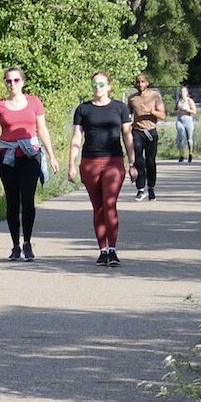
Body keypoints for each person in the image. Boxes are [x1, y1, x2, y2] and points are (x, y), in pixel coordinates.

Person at [0, 66, 58, 262]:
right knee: (12, 201)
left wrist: (51, 155)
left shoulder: (34, 102)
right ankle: (15, 245)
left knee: (28, 199)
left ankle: (28, 242)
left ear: (22, 82)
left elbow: (42, 129)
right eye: (8, 81)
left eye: (16, 80)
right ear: (5, 83)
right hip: (8, 158)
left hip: (30, 156)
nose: (12, 84)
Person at [69, 73, 137, 267]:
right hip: (90, 162)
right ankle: (103, 250)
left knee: (109, 204)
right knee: (98, 207)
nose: (97, 87)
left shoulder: (120, 108)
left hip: (113, 161)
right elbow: (76, 138)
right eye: (94, 84)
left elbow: (127, 136)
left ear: (109, 86)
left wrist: (132, 163)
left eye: (101, 84)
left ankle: (113, 250)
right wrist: (71, 164)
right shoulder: (83, 109)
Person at [127, 73, 166, 200]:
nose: (140, 84)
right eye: (138, 82)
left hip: (151, 132)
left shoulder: (155, 96)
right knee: (138, 160)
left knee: (150, 161)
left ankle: (151, 188)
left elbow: (163, 115)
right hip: (137, 132)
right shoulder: (132, 99)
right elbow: (128, 116)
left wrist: (150, 111)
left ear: (147, 83)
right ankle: (140, 189)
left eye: (143, 81)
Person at [175, 85, 198, 162]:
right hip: (180, 120)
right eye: (181, 91)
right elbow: (175, 110)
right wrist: (178, 110)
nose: (183, 93)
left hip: (188, 120)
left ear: (187, 92)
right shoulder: (179, 101)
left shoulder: (189, 101)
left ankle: (190, 154)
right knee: (180, 137)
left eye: (184, 91)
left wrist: (187, 110)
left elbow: (194, 111)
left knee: (189, 138)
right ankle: (181, 155)